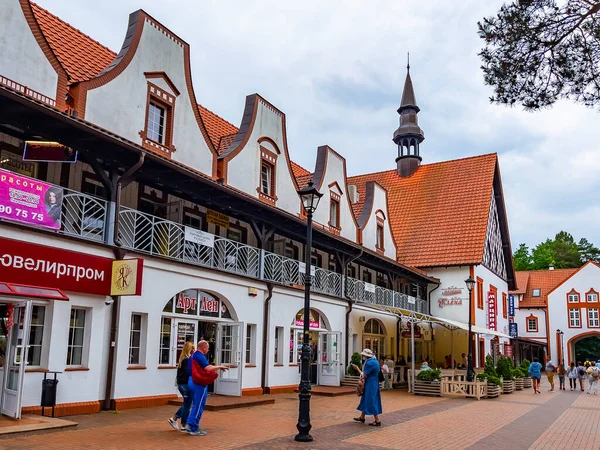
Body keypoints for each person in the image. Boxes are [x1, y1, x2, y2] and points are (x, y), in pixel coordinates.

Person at [185, 340, 229, 436]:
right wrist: (219, 367)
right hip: (198, 383)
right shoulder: (200, 356)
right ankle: (193, 427)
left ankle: (189, 423)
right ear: (204, 347)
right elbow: (208, 368)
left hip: (191, 380)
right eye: (208, 348)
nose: (208, 350)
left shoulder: (192, 356)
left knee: (195, 404)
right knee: (199, 405)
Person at [351, 349, 382, 427]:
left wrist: (357, 368)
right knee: (365, 399)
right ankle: (362, 417)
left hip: (370, 383)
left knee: (371, 400)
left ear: (366, 356)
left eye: (363, 355)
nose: (362, 356)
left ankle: (377, 420)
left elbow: (364, 375)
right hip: (373, 382)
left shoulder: (369, 363)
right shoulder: (375, 361)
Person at [168, 341, 194, 431]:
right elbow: (188, 373)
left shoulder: (182, 359)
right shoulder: (187, 360)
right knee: (188, 404)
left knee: (187, 404)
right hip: (185, 385)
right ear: (189, 350)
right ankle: (183, 424)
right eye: (192, 349)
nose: (194, 351)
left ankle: (174, 419)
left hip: (182, 384)